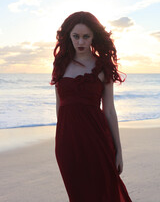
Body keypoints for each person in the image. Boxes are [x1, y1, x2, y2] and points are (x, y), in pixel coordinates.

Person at [50, 11, 132, 202]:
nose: (80, 42)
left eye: (86, 36)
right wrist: (62, 138)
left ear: (93, 36)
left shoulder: (103, 66)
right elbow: (59, 107)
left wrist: (118, 150)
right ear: (68, 36)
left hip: (98, 141)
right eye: (76, 36)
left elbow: (109, 110)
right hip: (67, 144)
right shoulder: (60, 65)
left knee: (105, 192)